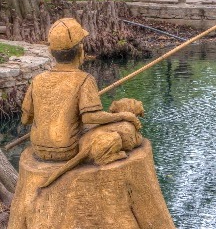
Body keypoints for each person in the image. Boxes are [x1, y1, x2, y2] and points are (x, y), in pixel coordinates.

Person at [21, 18, 140, 162]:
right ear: (81, 51)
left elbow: (25, 119)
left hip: (38, 149)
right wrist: (123, 116)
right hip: (68, 149)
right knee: (121, 128)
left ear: (51, 52)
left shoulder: (37, 79)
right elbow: (90, 118)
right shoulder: (84, 79)